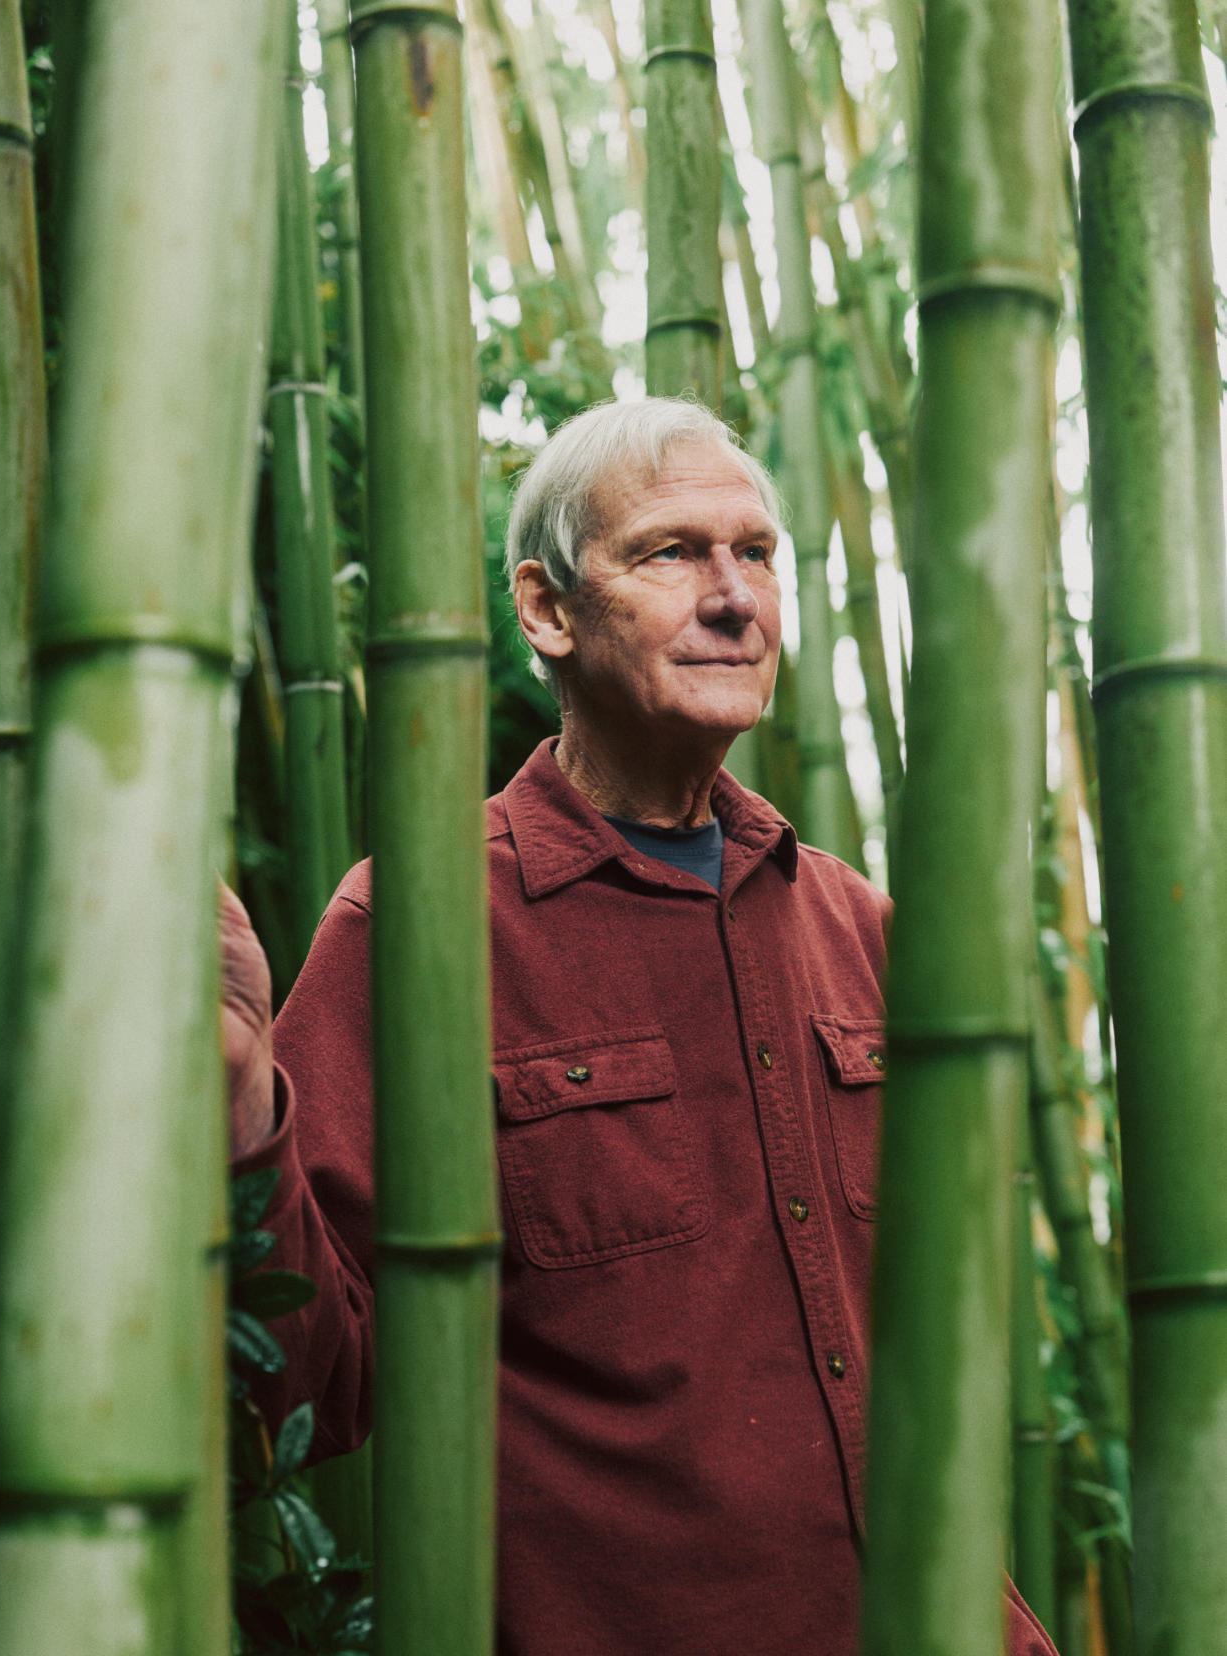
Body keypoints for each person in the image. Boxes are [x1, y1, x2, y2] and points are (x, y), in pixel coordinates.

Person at [223, 397, 1057, 1654]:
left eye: (757, 553)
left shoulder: (859, 926)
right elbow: (306, 1384)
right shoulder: (425, 926)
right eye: (672, 551)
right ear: (547, 609)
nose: (734, 596)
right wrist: (237, 1093)